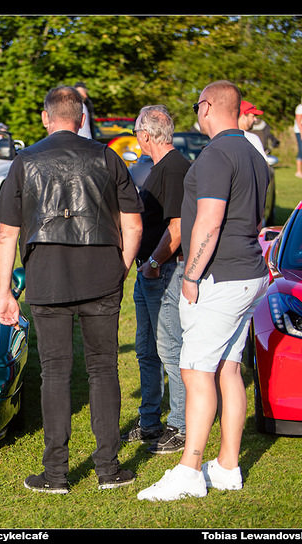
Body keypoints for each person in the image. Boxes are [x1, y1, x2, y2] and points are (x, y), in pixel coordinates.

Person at [0, 86, 144, 494]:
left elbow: (6, 234)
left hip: (48, 276)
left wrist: (4, 293)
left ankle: (56, 474)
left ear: (46, 117)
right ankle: (108, 469)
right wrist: (120, 269)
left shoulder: (25, 161)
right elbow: (133, 225)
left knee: (56, 372)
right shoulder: (108, 157)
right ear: (81, 118)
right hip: (101, 274)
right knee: (103, 369)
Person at [137, 80, 270, 501]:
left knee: (196, 371)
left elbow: (209, 222)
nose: (196, 112)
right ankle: (228, 465)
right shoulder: (254, 154)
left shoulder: (216, 155)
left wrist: (191, 276)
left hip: (220, 278)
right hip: (250, 273)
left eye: (197, 106)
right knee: (228, 369)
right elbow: (256, 221)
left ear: (208, 106)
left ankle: (189, 470)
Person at [123, 105, 189, 455]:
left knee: (170, 350)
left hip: (164, 272)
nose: (138, 139)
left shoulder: (175, 169)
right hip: (149, 272)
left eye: (137, 134)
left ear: (145, 135)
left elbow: (177, 228)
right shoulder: (159, 168)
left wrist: (153, 263)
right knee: (147, 350)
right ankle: (149, 420)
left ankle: (180, 424)